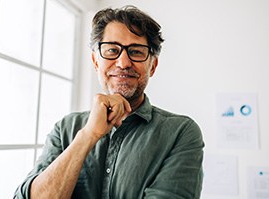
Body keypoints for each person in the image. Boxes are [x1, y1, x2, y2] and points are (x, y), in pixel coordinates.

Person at [14, 5, 204, 199]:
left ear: (152, 66)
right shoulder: (65, 129)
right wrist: (88, 135)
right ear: (96, 62)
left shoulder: (181, 133)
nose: (123, 63)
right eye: (112, 50)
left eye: (136, 52)